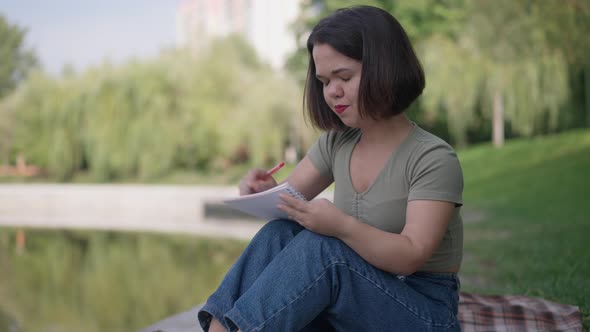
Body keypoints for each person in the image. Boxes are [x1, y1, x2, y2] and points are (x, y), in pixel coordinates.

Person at [198, 5, 464, 332]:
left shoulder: (433, 158)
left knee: (326, 249)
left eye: (344, 77)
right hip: (349, 302)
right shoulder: (337, 142)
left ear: (385, 68)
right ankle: (218, 328)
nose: (331, 92)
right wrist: (262, 192)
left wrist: (341, 227)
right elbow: (289, 204)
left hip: (420, 311)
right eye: (324, 81)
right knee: (279, 234)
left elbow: (411, 254)